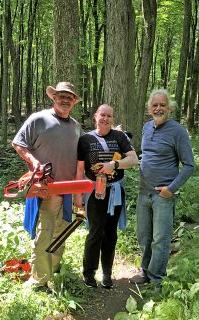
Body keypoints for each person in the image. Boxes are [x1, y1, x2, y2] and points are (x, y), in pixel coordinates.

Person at [12, 81, 82, 288]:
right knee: (44, 232)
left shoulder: (76, 127)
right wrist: (34, 163)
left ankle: (50, 271)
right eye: (61, 95)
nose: (65, 100)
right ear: (54, 97)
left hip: (68, 190)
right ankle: (39, 278)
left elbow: (85, 153)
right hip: (46, 188)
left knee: (62, 232)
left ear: (73, 102)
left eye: (69, 97)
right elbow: (18, 143)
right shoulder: (38, 119)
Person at [130, 89, 195, 287]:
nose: (158, 108)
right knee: (144, 236)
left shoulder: (178, 131)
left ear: (170, 108)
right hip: (143, 193)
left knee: (160, 239)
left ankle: (157, 279)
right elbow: (146, 155)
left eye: (162, 105)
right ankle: (145, 271)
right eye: (154, 105)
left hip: (163, 196)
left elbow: (189, 165)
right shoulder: (146, 127)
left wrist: (171, 189)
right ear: (150, 108)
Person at [75, 104, 138, 288]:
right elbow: (80, 170)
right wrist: (78, 196)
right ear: (96, 116)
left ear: (113, 118)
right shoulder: (85, 139)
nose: (105, 119)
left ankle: (107, 273)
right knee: (95, 232)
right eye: (102, 115)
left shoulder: (120, 137)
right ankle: (89, 273)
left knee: (110, 233)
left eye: (109, 116)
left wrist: (114, 165)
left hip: (115, 191)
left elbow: (133, 159)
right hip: (94, 191)